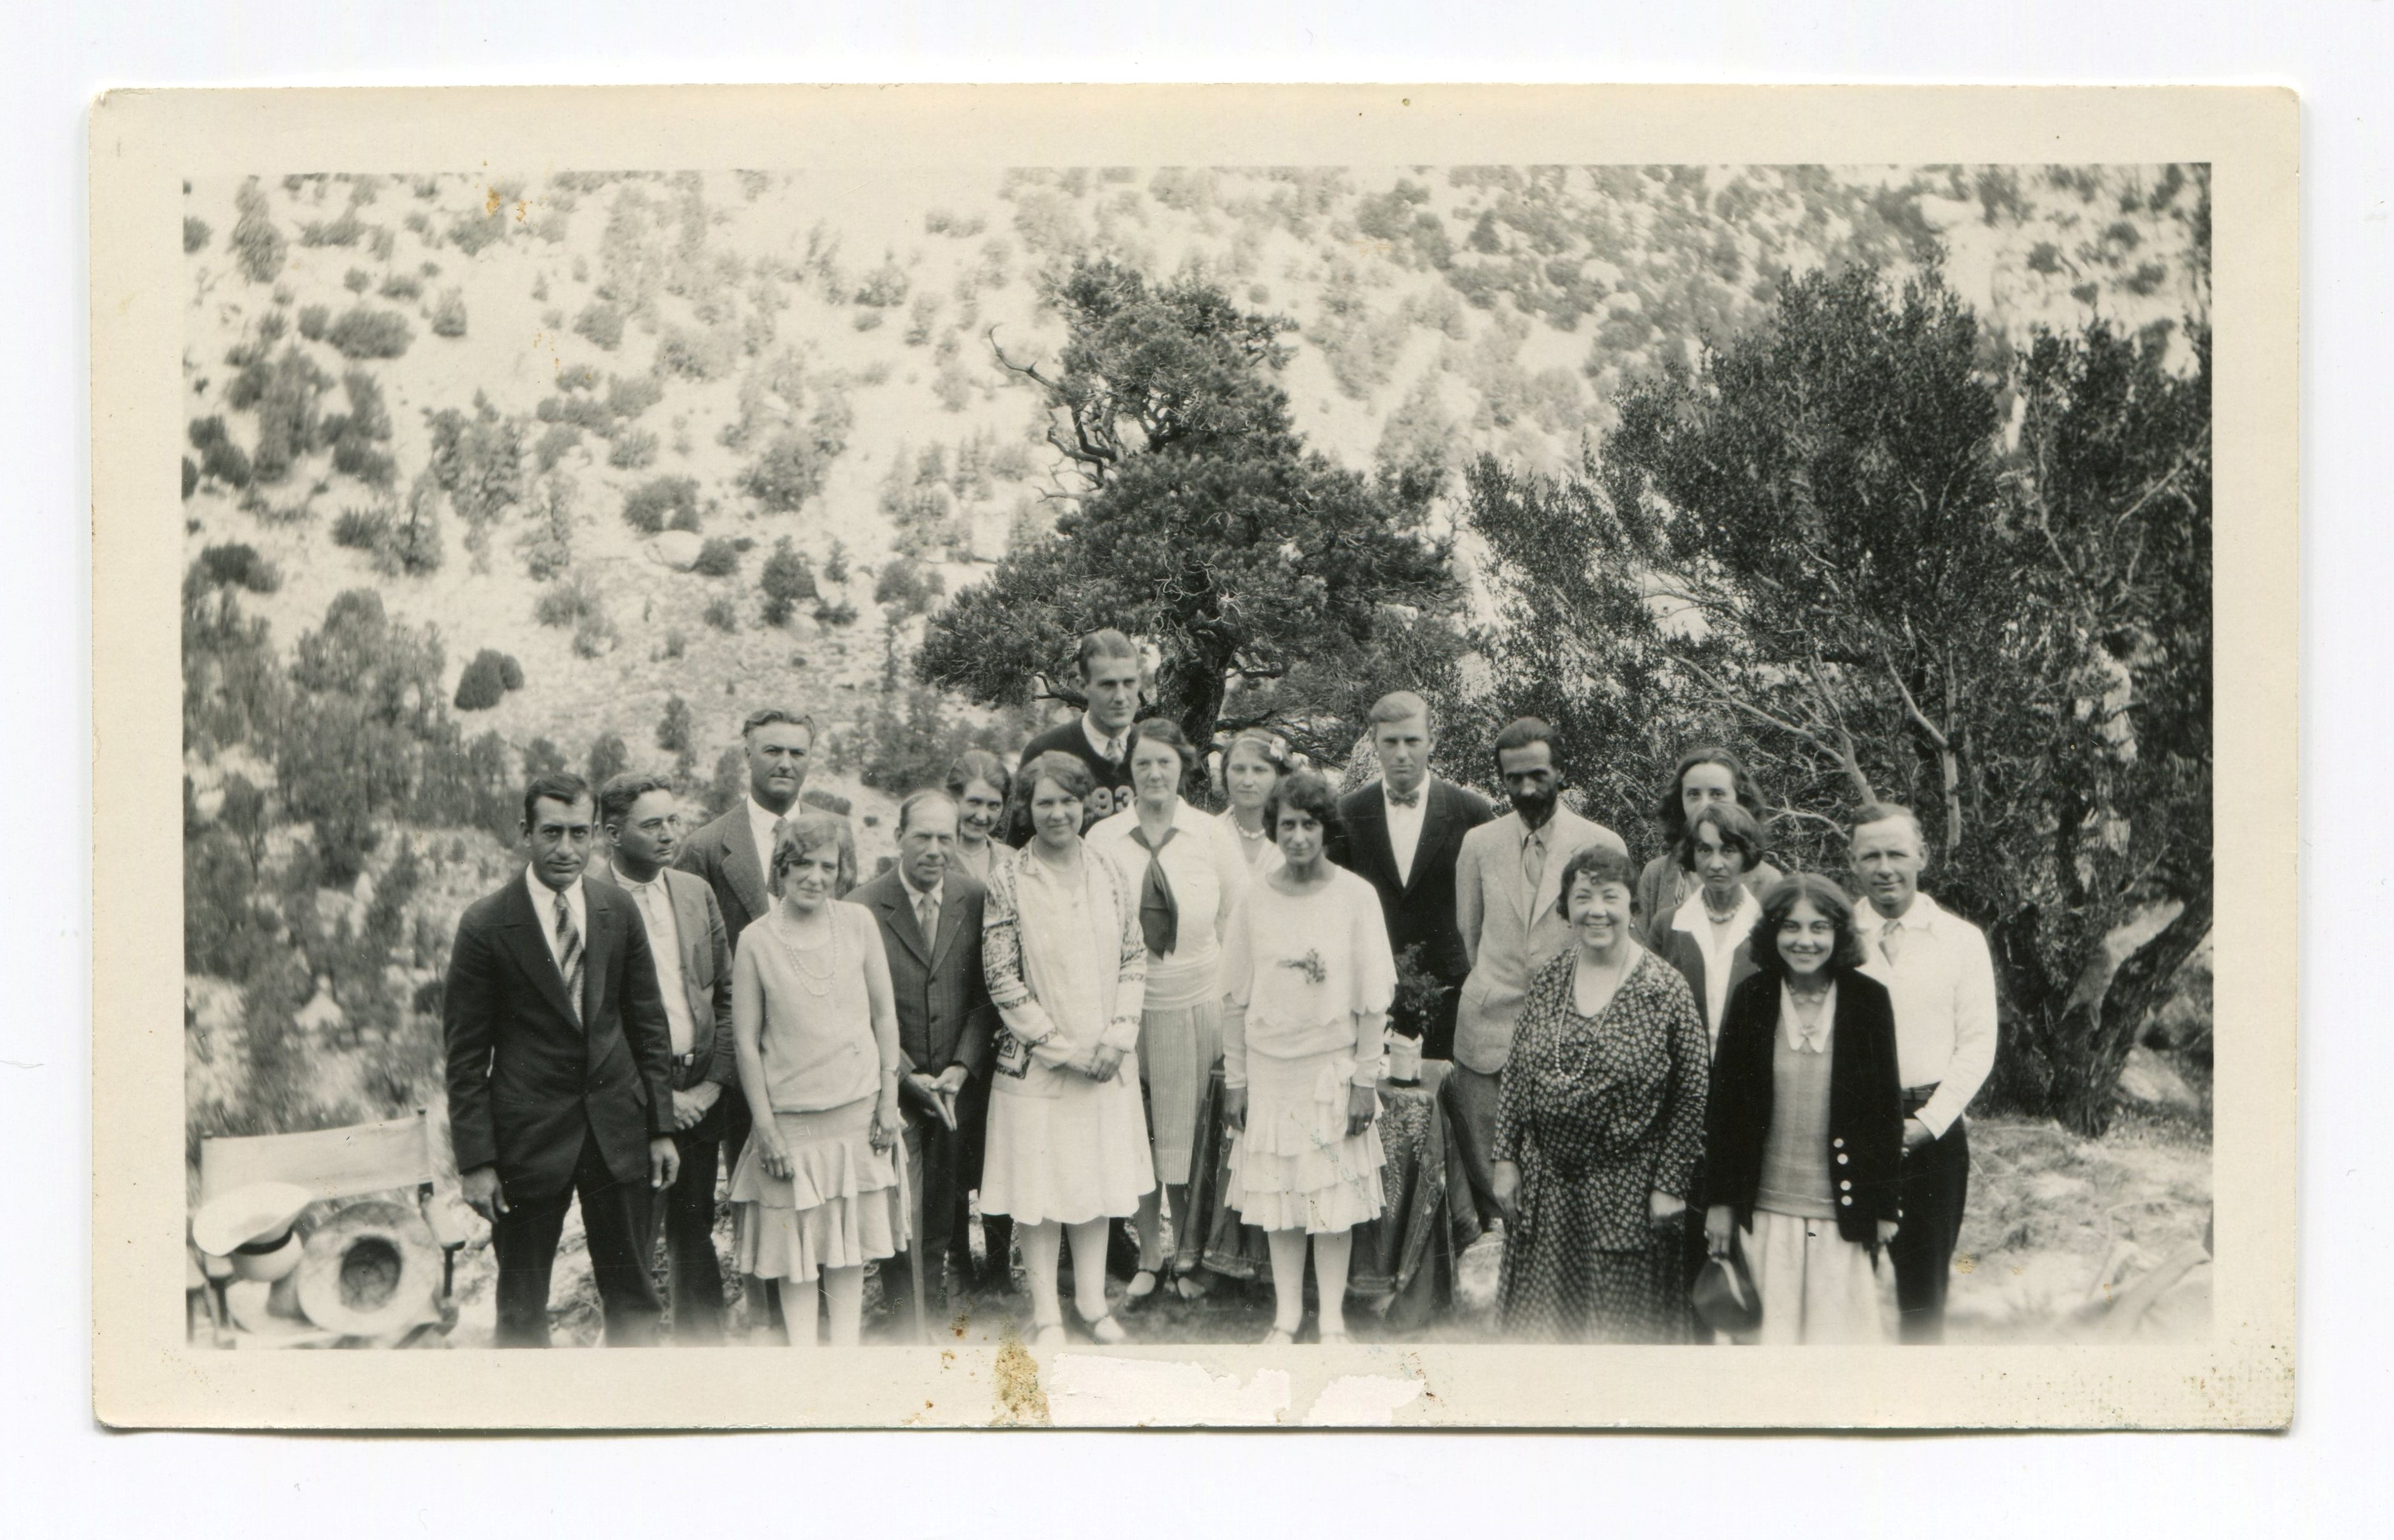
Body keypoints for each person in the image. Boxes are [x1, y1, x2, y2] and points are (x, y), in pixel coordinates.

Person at [443, 772, 679, 1348]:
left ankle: (635, 1423)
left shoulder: (617, 910)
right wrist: (476, 1162)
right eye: (552, 833)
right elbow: (466, 1056)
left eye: (580, 833)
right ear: (526, 832)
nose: (567, 850)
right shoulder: (485, 924)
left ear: (598, 833)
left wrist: (661, 1128)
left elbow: (648, 1024)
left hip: (617, 1135)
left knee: (633, 1297)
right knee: (522, 1307)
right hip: (528, 1142)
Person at [1487, 844, 1707, 1342]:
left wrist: (1671, 1184)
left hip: (1626, 1192)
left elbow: (1692, 1093)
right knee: (1545, 1335)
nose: (1597, 910)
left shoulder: (1664, 989)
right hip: (1548, 1194)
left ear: (1632, 905)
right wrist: (1506, 1159)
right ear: (1567, 908)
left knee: (1617, 1339)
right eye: (1583, 897)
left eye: (1611, 896)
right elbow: (1518, 1073)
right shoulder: (1549, 980)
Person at [979, 752, 1152, 1346]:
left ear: (1085, 805)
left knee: (1096, 1184)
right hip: (1038, 1069)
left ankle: (1090, 1302)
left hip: (1105, 1062)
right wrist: (1059, 1049)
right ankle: (1049, 1312)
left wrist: (1117, 1038)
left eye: (1069, 801)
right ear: (1027, 809)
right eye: (1045, 802)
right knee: (1040, 1191)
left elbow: (1134, 956)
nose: (1058, 813)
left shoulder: (1108, 871)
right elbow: (1001, 977)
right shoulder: (1009, 880)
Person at [1220, 769, 1393, 1345]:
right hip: (1271, 1074)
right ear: (1273, 828)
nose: (1297, 837)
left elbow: (1373, 1000)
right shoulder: (1252, 898)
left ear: (1327, 828)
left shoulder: (1356, 897)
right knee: (1282, 1198)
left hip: (1330, 1072)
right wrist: (1237, 1081)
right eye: (1287, 824)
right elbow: (1234, 998)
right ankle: (1287, 1316)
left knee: (1330, 1199)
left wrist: (1365, 1080)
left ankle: (1335, 1321)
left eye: (1309, 824)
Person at [727, 812, 908, 1347]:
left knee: (847, 1249)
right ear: (781, 867)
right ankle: (806, 1361)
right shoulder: (755, 940)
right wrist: (765, 1127)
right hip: (792, 1124)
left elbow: (884, 1017)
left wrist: (886, 1100)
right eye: (802, 863)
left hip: (857, 1115)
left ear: (842, 871)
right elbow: (744, 1042)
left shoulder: (858, 924)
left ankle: (846, 1358)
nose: (815, 876)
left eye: (828, 865)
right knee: (798, 1254)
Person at [1703, 874, 1904, 1345]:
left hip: (1840, 1217)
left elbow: (1884, 1112)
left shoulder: (1868, 1001)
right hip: (1767, 1215)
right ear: (1772, 933)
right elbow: (1726, 1113)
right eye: (1790, 927)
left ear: (1840, 933)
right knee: (1767, 1355)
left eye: (1819, 927)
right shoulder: (1752, 997)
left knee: (1835, 1356)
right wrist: (1720, 1204)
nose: (1805, 940)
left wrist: (1885, 1206)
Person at [1087, 718, 1249, 1305]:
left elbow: (1238, 920)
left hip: (1198, 1000)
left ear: (1184, 767)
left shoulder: (1210, 836)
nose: (1154, 774)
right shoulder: (1103, 839)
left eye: (1165, 763)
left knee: (1187, 1133)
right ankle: (1149, 1254)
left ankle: (1187, 1250)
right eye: (1143, 764)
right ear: (1128, 771)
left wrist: (1235, 1001)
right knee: (1137, 1131)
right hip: (1127, 1006)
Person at [1451, 717, 1628, 1227]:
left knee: (1564, 1179)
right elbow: (1470, 934)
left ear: (1561, 771)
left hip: (1570, 1035)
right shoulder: (1479, 844)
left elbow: (1614, 947)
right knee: (1494, 1182)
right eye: (1513, 779)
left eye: (1538, 775)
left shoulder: (1601, 844)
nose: (1526, 789)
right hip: (1488, 1037)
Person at [588, 773, 738, 1343]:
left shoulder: (695, 893)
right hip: (629, 1103)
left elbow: (725, 994)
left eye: (674, 820)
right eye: (651, 825)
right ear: (611, 834)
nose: (669, 834)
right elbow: (593, 1025)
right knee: (632, 1240)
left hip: (699, 1093)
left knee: (695, 1232)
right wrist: (659, 1100)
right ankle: (633, 1375)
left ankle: (704, 1358)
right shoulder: (588, 903)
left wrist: (710, 1086)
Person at [1848, 803, 1998, 1344]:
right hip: (1853, 1129)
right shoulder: (1837, 936)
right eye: (1871, 855)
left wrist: (1926, 1124)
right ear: (1854, 863)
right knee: (1848, 1292)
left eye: (1896, 853)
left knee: (1923, 1300)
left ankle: (1918, 1412)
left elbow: (1978, 1044)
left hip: (1933, 1135)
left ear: (1922, 857)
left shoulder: (1960, 940)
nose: (1884, 867)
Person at [847, 790, 996, 1319]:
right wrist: (910, 1078)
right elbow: (859, 1008)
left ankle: (941, 1307)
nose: (935, 850)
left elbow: (986, 994)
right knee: (902, 1210)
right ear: (898, 838)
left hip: (959, 1088)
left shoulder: (976, 897)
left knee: (945, 1205)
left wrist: (960, 1068)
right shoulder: (861, 906)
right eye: (923, 837)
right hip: (896, 1088)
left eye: (945, 838)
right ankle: (906, 1322)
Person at [676, 707, 818, 1225]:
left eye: (796, 752)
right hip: (743, 1054)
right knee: (754, 1196)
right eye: (772, 751)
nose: (785, 763)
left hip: (816, 1050)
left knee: (817, 1186)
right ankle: (762, 1303)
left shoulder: (829, 837)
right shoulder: (706, 848)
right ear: (748, 757)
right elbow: (690, 966)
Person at [1333, 691, 1494, 1062]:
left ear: (1432, 741)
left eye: (1412, 741)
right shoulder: (1347, 813)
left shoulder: (1470, 812)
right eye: (1390, 742)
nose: (1402, 753)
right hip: (1369, 995)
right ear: (1374, 742)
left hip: (1450, 996)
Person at [1633, 746, 1783, 947]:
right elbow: (1639, 950)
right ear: (1680, 802)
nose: (1705, 804)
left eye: (1717, 794)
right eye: (1694, 794)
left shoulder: (1768, 880)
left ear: (1740, 800)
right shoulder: (1657, 874)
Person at [1656, 801, 1770, 1049]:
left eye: (1728, 850)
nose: (1716, 864)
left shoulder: (1769, 927)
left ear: (1746, 854)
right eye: (1705, 850)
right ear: (1693, 855)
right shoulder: (1667, 925)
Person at [1015, 629, 1145, 831]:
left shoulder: (1159, 751)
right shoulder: (1045, 751)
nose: (1121, 697)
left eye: (1128, 683)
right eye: (1108, 685)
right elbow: (1021, 849)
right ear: (1084, 686)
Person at [1215, 730, 1291, 876]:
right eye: (1239, 769)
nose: (1248, 781)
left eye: (1260, 770)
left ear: (1279, 776)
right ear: (1225, 773)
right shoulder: (1207, 833)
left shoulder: (1297, 835)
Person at [944, 748, 1013, 883]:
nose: (982, 817)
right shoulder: (931, 858)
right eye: (974, 802)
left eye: (994, 805)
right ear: (952, 799)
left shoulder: (1014, 861)